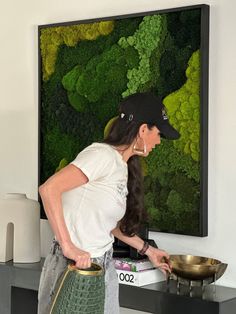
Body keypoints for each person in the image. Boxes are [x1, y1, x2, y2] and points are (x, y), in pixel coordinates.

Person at [37, 92, 180, 314]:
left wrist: (148, 250)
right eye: (158, 133)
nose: (159, 141)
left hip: (104, 266)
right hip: (75, 268)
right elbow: (49, 189)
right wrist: (69, 246)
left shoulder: (122, 166)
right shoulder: (101, 156)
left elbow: (108, 224)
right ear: (143, 130)